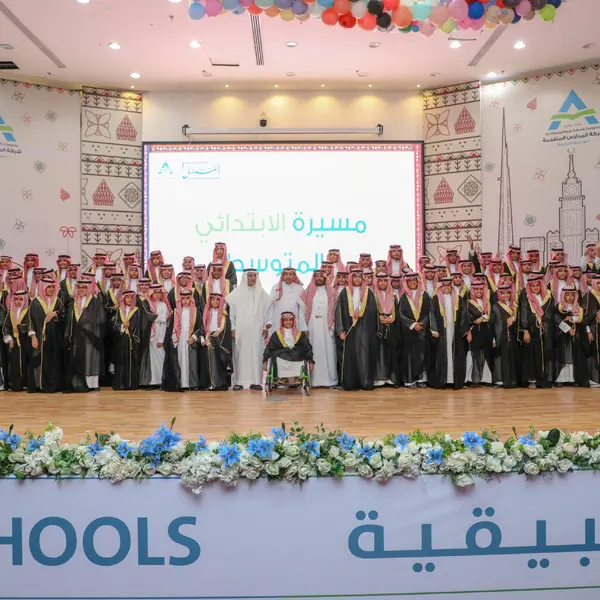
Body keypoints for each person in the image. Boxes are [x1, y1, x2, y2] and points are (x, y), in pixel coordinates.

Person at [226, 269, 271, 391]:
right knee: (240, 355)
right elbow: (232, 314)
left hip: (257, 331)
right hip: (241, 331)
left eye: (254, 276)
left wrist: (266, 326)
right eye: (250, 275)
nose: (252, 278)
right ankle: (238, 382)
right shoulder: (236, 293)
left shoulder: (261, 293)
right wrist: (233, 329)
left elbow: (267, 311)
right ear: (245, 277)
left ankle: (256, 381)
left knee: (256, 355)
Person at [335, 269, 378, 391]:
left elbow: (373, 311)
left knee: (364, 356)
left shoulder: (368, 292)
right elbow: (338, 312)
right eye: (355, 277)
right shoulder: (345, 292)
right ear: (351, 278)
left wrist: (361, 312)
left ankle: (364, 382)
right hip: (349, 330)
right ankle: (351, 383)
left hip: (365, 330)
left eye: (359, 277)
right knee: (350, 357)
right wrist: (340, 330)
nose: (357, 279)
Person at [63, 280, 105, 392]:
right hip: (76, 336)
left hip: (91, 336)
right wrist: (68, 335)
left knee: (90, 359)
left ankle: (92, 384)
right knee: (77, 359)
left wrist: (88, 321)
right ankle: (78, 383)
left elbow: (101, 319)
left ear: (89, 288)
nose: (81, 290)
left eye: (84, 287)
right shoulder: (73, 303)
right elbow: (69, 321)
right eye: (80, 287)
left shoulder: (96, 302)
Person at [428, 277, 469, 389]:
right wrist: (434, 329)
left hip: (455, 332)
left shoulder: (458, 298)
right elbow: (432, 314)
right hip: (442, 332)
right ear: (441, 287)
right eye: (444, 286)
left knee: (456, 354)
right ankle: (443, 380)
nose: (446, 288)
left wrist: (464, 329)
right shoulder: (436, 299)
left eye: (448, 286)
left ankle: (455, 381)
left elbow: (464, 314)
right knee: (442, 354)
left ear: (451, 286)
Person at [299, 270, 338, 388]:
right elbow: (301, 312)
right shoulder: (306, 292)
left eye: (322, 276)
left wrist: (334, 327)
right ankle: (313, 381)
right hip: (312, 327)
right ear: (313, 277)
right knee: (314, 351)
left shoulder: (333, 293)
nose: (319, 278)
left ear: (325, 277)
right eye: (317, 276)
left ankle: (330, 380)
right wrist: (304, 327)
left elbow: (337, 311)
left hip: (327, 327)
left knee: (329, 352)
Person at [27, 278, 65, 393]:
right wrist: (33, 337)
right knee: (41, 361)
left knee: (54, 360)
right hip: (40, 337)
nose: (51, 289)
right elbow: (30, 320)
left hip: (55, 338)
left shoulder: (57, 301)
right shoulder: (35, 302)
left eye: (53, 287)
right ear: (43, 288)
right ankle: (41, 385)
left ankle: (55, 385)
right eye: (48, 287)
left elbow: (63, 315)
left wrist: (55, 313)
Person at [162, 290, 203, 392]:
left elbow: (200, 327)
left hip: (190, 340)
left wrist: (194, 337)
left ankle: (193, 384)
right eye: (183, 299)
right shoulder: (176, 311)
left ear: (191, 299)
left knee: (192, 362)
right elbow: (171, 328)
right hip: (179, 340)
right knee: (179, 360)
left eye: (187, 298)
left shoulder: (196, 312)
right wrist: (173, 338)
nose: (185, 301)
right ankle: (179, 383)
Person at [519, 274, 554, 389]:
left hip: (545, 330)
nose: (535, 288)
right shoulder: (526, 297)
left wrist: (544, 320)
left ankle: (544, 379)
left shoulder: (547, 296)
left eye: (537, 285)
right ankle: (532, 379)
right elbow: (524, 314)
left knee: (545, 354)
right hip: (532, 330)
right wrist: (525, 330)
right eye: (533, 286)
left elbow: (551, 311)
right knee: (533, 354)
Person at [553, 287, 589, 387]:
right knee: (563, 357)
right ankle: (560, 379)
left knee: (574, 357)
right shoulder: (559, 307)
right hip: (562, 336)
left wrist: (573, 318)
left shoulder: (578, 308)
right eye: (567, 295)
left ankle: (573, 379)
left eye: (572, 295)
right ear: (563, 295)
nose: (570, 297)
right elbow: (556, 320)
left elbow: (583, 319)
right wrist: (568, 329)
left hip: (575, 337)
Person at [398, 272, 429, 387]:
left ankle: (420, 380)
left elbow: (429, 312)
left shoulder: (425, 296)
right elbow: (400, 314)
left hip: (422, 331)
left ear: (418, 281)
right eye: (409, 281)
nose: (412, 283)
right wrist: (412, 324)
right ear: (406, 282)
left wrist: (422, 324)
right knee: (409, 357)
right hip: (409, 331)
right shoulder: (403, 297)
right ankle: (410, 381)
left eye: (414, 280)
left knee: (421, 355)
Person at [263, 312, 313, 381]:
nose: (288, 322)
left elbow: (307, 347)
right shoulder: (276, 334)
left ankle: (297, 377)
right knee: (278, 358)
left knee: (299, 355)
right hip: (282, 354)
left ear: (293, 321)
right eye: (286, 320)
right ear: (282, 322)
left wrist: (311, 361)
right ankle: (283, 378)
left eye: (290, 320)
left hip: (296, 353)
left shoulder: (300, 334)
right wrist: (265, 362)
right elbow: (269, 347)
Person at [112, 290, 145, 391]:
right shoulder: (119, 310)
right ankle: (121, 384)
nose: (129, 299)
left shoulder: (137, 310)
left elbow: (139, 325)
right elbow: (115, 324)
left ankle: (131, 384)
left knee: (132, 362)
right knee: (120, 361)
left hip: (132, 340)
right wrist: (122, 326)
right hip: (121, 339)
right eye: (127, 297)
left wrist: (131, 329)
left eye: (131, 298)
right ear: (123, 299)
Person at [201, 293, 233, 390]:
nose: (215, 301)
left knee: (218, 362)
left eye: (217, 299)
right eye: (213, 299)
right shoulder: (207, 311)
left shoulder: (223, 312)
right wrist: (204, 337)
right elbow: (203, 326)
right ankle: (211, 383)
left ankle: (219, 384)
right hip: (208, 339)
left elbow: (223, 326)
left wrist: (218, 331)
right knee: (210, 362)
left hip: (219, 340)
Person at [466, 279, 493, 386]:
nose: (479, 291)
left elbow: (492, 317)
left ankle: (486, 379)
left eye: (481, 289)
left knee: (486, 355)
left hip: (486, 331)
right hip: (474, 332)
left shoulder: (487, 303)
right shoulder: (468, 303)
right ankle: (473, 379)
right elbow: (469, 318)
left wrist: (482, 318)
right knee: (474, 355)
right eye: (476, 289)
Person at [491, 284, 519, 389]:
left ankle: (512, 380)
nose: (506, 295)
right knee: (502, 357)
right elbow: (494, 323)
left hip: (512, 336)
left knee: (512, 356)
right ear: (499, 294)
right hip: (500, 336)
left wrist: (513, 321)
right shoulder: (495, 306)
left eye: (508, 293)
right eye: (503, 293)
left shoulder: (514, 306)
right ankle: (502, 380)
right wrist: (505, 323)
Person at [373, 274, 398, 386]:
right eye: (380, 281)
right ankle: (380, 377)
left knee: (390, 351)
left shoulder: (393, 295)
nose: (383, 283)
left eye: (385, 281)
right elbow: (371, 310)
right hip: (378, 327)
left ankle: (390, 377)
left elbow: (397, 310)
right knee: (380, 352)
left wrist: (391, 319)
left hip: (391, 326)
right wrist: (379, 318)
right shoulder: (373, 295)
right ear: (377, 282)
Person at [2, 290, 30, 391]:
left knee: (26, 362)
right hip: (14, 342)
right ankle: (16, 385)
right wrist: (9, 338)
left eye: (21, 299)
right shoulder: (11, 312)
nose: (18, 302)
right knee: (15, 363)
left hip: (26, 341)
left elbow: (29, 325)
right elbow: (6, 327)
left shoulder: (29, 311)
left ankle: (26, 383)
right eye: (16, 299)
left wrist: (19, 327)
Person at [145, 284, 171, 388]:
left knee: (161, 357)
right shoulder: (148, 304)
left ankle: (161, 380)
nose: (157, 295)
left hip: (160, 334)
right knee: (151, 359)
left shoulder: (163, 305)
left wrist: (161, 339)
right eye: (155, 293)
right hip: (150, 334)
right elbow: (149, 317)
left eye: (159, 293)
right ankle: (153, 381)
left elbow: (164, 323)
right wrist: (162, 318)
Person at [266, 268, 305, 334]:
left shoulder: (300, 289)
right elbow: (271, 306)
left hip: (294, 322)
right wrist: (269, 320)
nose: (288, 276)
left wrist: (303, 326)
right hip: (277, 321)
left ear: (294, 276)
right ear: (283, 276)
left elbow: (301, 309)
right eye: (286, 274)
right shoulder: (276, 287)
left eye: (290, 274)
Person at [583, 275, 600, 387]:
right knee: (593, 353)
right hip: (593, 330)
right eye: (598, 283)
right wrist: (588, 331)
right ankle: (594, 379)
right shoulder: (588, 296)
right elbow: (585, 317)